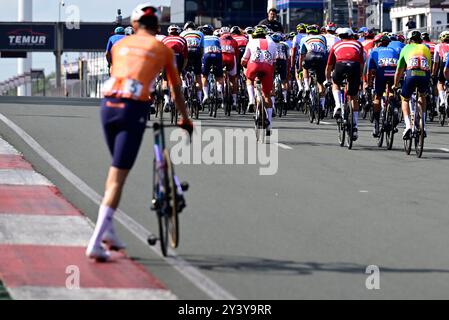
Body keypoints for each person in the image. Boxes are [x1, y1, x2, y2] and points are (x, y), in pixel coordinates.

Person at [86, 3, 193, 261]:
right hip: (132, 108)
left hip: (107, 106)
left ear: (134, 26)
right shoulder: (162, 48)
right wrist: (185, 118)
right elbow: (176, 89)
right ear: (157, 27)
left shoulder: (120, 44)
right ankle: (95, 241)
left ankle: (108, 231)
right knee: (118, 180)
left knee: (114, 172)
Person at [325, 27, 364, 141]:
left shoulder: (336, 45)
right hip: (354, 67)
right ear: (351, 36)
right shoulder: (357, 44)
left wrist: (328, 79)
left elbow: (329, 66)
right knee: (354, 97)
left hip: (340, 66)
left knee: (335, 83)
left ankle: (337, 105)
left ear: (340, 37)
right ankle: (355, 127)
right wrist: (359, 77)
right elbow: (361, 63)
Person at [393, 30, 431, 140]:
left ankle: (408, 126)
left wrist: (395, 84)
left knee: (405, 99)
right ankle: (423, 124)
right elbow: (429, 65)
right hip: (424, 74)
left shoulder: (405, 48)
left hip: (411, 74)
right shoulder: (426, 48)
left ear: (409, 40)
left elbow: (399, 70)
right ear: (421, 39)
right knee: (422, 96)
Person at [241, 26, 277, 135]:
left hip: (254, 66)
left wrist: (244, 67)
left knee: (249, 78)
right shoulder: (272, 43)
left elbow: (244, 60)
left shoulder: (251, 42)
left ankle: (251, 100)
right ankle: (269, 124)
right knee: (267, 95)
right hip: (267, 68)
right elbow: (274, 62)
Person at [367, 34, 399, 137]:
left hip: (381, 75)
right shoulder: (394, 51)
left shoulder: (373, 51)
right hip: (393, 74)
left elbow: (370, 71)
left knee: (378, 97)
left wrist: (369, 83)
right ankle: (394, 109)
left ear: (378, 43)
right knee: (391, 92)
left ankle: (376, 124)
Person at [298, 24, 328, 117]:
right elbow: (325, 50)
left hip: (310, 56)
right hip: (321, 58)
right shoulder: (322, 37)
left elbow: (302, 55)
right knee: (320, 83)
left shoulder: (304, 38)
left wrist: (300, 67)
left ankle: (306, 86)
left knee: (305, 67)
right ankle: (322, 106)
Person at [181, 21, 205, 105]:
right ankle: (198, 99)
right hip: (196, 53)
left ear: (186, 28)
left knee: (183, 71)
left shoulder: (183, 33)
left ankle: (184, 84)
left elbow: (181, 47)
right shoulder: (200, 33)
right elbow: (202, 48)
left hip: (187, 52)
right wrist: (200, 58)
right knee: (198, 76)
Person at [432, 31, 449, 115]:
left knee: (440, 83)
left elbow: (436, 62)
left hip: (443, 64)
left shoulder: (438, 46)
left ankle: (442, 100)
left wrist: (433, 73)